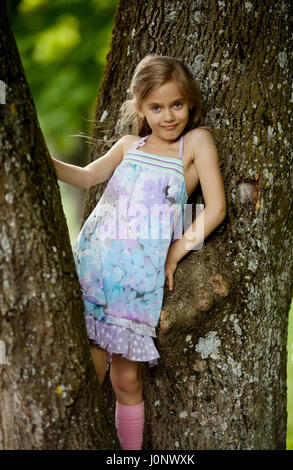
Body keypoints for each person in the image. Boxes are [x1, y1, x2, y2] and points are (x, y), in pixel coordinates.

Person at [51, 54, 226, 450]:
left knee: (126, 379)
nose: (168, 116)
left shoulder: (195, 144)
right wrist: (41, 158)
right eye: (156, 107)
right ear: (141, 109)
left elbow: (215, 209)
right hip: (95, 267)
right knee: (89, 370)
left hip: (137, 281)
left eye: (177, 105)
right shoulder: (130, 145)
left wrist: (176, 252)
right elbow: (84, 177)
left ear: (191, 103)